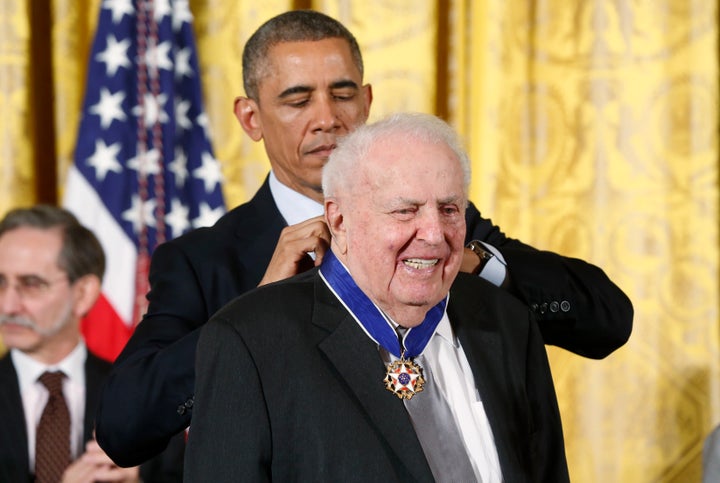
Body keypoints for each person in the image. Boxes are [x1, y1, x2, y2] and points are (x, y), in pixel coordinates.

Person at [96, 9, 633, 467]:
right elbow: (124, 430)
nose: (327, 118)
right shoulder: (205, 261)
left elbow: (606, 319)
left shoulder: (442, 217)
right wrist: (249, 312)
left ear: (368, 101)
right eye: (297, 99)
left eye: (343, 94)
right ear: (251, 117)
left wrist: (469, 258)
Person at [184, 112, 569, 481]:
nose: (435, 234)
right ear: (339, 221)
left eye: (449, 209)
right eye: (405, 211)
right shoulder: (250, 341)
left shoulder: (507, 323)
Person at [0, 205, 184, 483]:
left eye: (31, 284)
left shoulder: (144, 399)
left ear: (83, 293)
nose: (8, 305)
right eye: (0, 283)